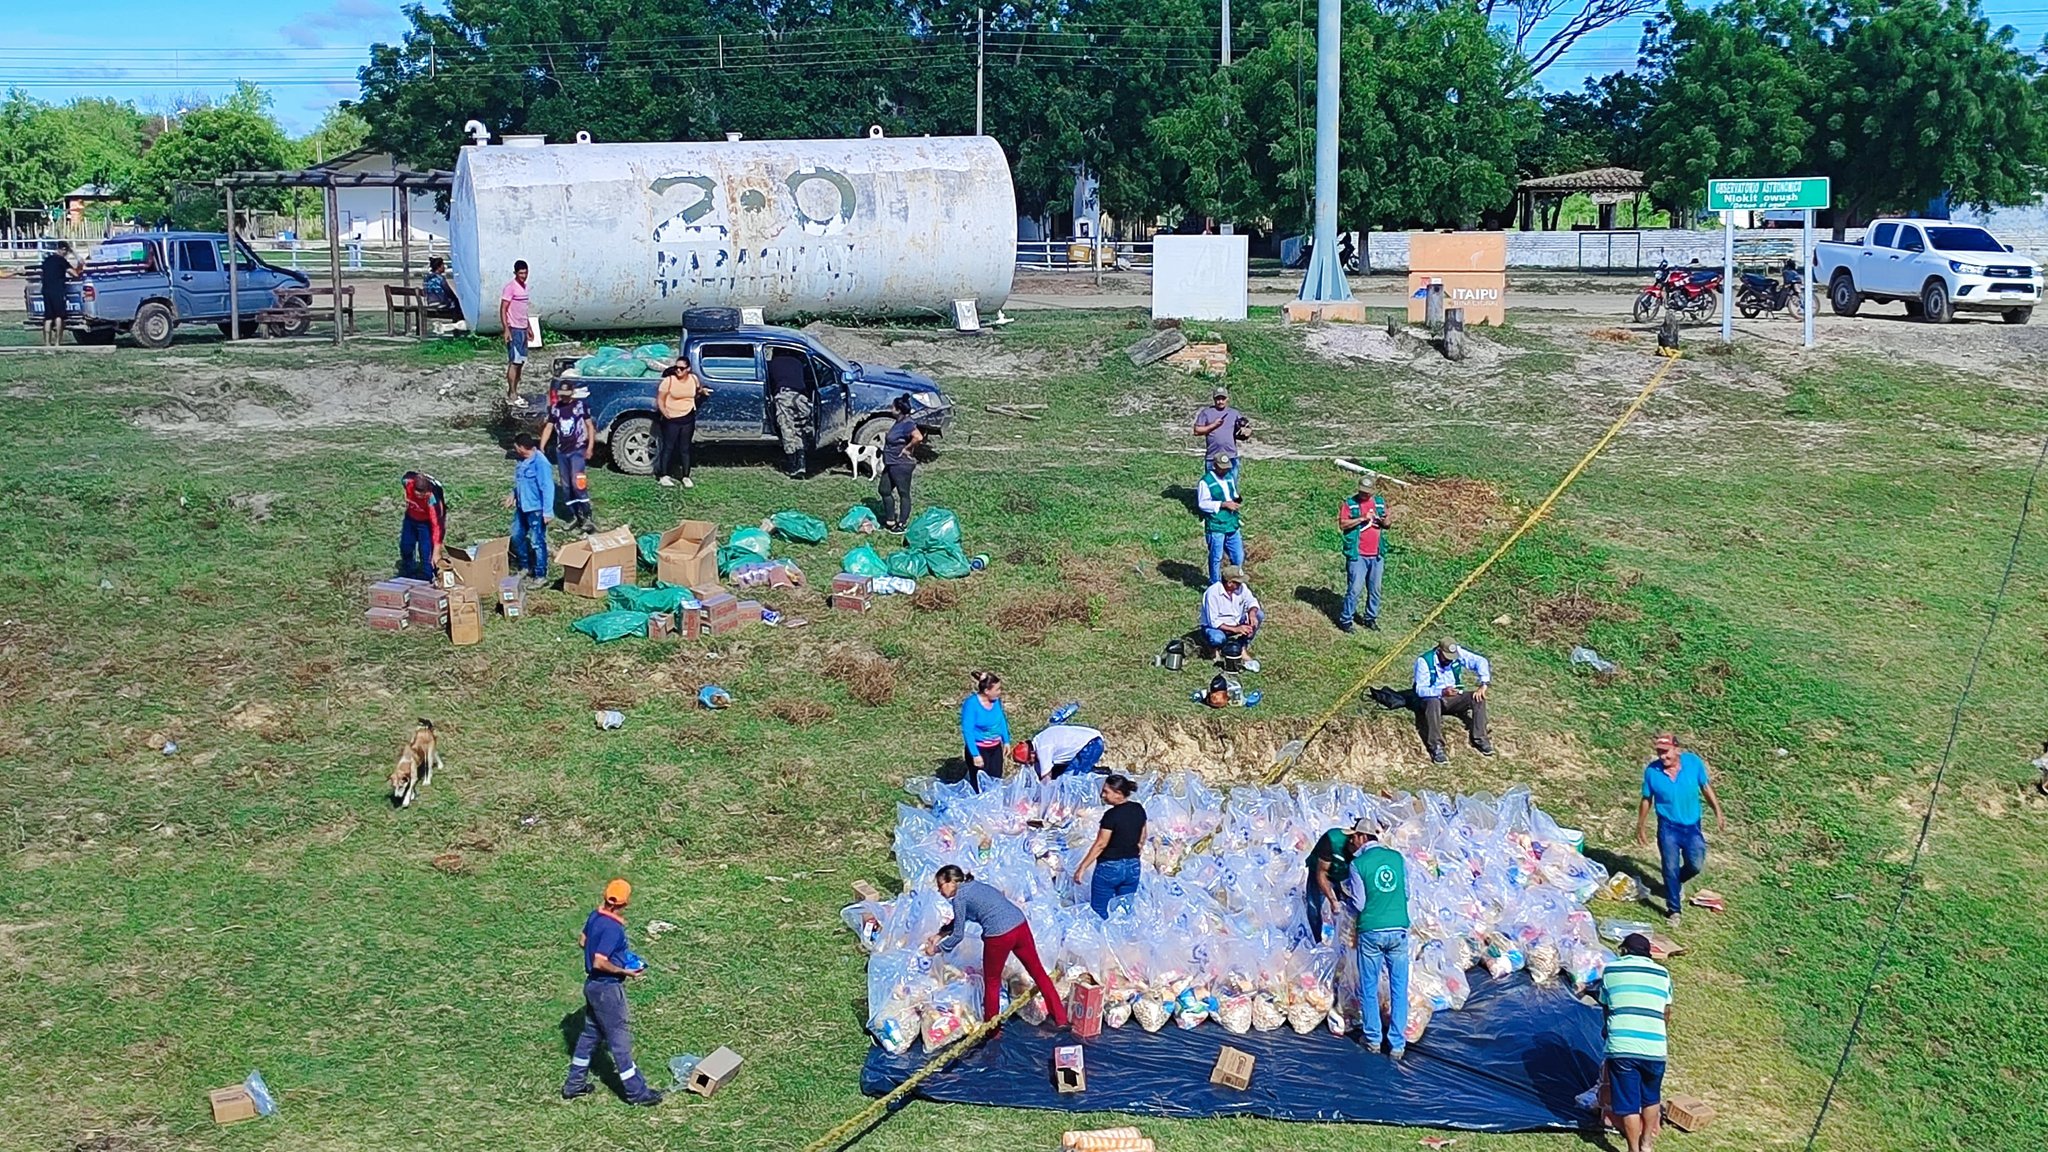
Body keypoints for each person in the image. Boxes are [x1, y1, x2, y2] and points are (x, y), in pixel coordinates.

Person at [925, 865, 1071, 1028]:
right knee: (1038, 973)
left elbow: (958, 935)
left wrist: (937, 949)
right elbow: (960, 920)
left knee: (992, 982)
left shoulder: (959, 897)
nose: (939, 891)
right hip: (1020, 925)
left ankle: (992, 1030)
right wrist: (939, 935)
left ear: (951, 882)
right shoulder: (976, 885)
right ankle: (1061, 1019)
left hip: (999, 935)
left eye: (940, 886)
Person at [561, 879, 662, 1105]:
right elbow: (599, 961)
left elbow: (582, 941)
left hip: (592, 987)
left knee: (589, 1036)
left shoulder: (595, 916)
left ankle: (574, 1084)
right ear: (625, 902)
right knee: (620, 1041)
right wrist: (625, 971)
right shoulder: (613, 929)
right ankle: (637, 1093)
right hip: (607, 989)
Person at [1635, 733, 1726, 927]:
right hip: (1668, 828)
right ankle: (1674, 910)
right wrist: (1640, 825)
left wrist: (1717, 810)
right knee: (1670, 868)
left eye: (1666, 752)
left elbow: (1705, 787)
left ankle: (1675, 884)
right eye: (1659, 753)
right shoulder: (1652, 772)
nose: (1662, 757)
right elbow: (1646, 800)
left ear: (1677, 749)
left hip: (1692, 826)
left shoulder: (1693, 763)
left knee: (1695, 864)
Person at [1598, 933, 1672, 1152]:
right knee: (1651, 1097)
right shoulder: (1663, 973)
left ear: (1624, 951)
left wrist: (1608, 1029)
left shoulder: (1612, 969)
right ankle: (1647, 1143)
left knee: (1629, 1103)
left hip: (1622, 1047)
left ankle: (1632, 1148)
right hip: (1655, 1046)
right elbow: (1666, 1011)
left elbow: (1606, 1006)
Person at [1354, 819, 1410, 1056]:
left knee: (1369, 986)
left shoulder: (1358, 864)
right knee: (1399, 986)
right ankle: (1397, 1044)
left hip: (1371, 931)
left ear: (1363, 837)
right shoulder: (1397, 858)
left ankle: (1374, 1039)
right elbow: (1406, 893)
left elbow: (1359, 903)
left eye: (1354, 837)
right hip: (1398, 930)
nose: (1352, 841)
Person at [1072, 774, 1146, 918]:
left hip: (1110, 868)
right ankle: (1122, 937)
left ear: (1118, 794)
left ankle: (1100, 938)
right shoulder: (1138, 809)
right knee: (1124, 909)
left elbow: (1101, 844)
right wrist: (1135, 851)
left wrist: (1082, 868)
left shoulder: (1111, 816)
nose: (1102, 795)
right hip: (1133, 866)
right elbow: (1143, 836)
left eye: (1106, 791)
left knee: (1100, 910)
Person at [1411, 637, 1494, 764]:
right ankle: (1436, 747)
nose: (1449, 660)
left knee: (1478, 698)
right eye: (1446, 657)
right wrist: (1441, 692)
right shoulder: (1424, 661)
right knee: (1432, 702)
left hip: (1453, 698)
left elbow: (1480, 661)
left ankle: (1480, 739)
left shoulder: (1457, 654)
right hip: (1432, 699)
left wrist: (1484, 684)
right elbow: (1420, 690)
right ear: (1439, 651)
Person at [539, 385, 597, 533]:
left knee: (577, 483)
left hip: (577, 450)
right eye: (562, 394)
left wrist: (590, 447)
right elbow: (549, 427)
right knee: (566, 486)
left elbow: (589, 426)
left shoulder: (580, 406)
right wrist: (542, 446)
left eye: (567, 394)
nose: (564, 397)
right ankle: (573, 515)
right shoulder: (555, 408)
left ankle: (587, 515)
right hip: (562, 451)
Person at [1305, 818, 1370, 943]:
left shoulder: (1365, 851)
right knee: (1314, 908)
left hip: (1343, 875)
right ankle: (1317, 942)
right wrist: (1332, 900)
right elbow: (1321, 873)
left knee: (1350, 909)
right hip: (1320, 871)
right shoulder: (1332, 839)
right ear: (1355, 837)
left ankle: (1343, 943)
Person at [1336, 476, 1388, 632]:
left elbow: (1388, 522)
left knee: (1375, 589)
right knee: (1355, 589)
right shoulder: (1350, 504)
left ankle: (1370, 618)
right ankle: (1346, 619)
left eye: (1367, 493)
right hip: (1358, 554)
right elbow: (1343, 524)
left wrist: (1383, 521)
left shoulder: (1379, 503)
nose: (1364, 495)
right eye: (1362, 492)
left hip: (1376, 554)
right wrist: (1361, 519)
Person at [505, 433, 551, 587]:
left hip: (536, 508)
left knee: (537, 541)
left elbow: (547, 487)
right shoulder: (522, 461)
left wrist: (548, 511)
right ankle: (525, 566)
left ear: (521, 447)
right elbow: (521, 482)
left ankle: (540, 575)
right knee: (517, 536)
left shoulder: (541, 463)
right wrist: (513, 494)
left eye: (516, 447)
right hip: (522, 506)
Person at [1200, 564, 1263, 673]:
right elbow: (1214, 622)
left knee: (1259, 615)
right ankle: (1213, 650)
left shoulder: (1242, 588)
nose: (1241, 584)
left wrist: (1252, 614)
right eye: (1238, 582)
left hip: (1236, 621)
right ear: (1229, 583)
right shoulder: (1212, 594)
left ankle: (1241, 647)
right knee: (1217, 638)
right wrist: (1236, 629)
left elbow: (1252, 601)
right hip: (1216, 628)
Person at [654, 362, 708, 489]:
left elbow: (697, 390)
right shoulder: (669, 381)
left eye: (682, 368)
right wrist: (665, 412)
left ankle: (686, 476)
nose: (678, 370)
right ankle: (663, 475)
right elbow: (660, 399)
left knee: (685, 448)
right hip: (672, 418)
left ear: (688, 369)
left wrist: (702, 391)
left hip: (688, 417)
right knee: (668, 447)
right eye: (676, 368)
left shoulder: (693, 379)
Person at [1196, 451, 1243, 586]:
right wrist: (1223, 504)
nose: (1225, 470)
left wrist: (1236, 500)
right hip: (1216, 524)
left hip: (1231, 522)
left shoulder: (1229, 477)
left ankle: (1234, 580)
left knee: (1238, 555)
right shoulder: (1206, 482)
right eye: (1222, 468)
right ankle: (1215, 584)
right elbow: (1203, 504)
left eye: (1226, 467)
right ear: (1215, 466)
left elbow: (1233, 494)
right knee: (1216, 557)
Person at [766, 347, 814, 478]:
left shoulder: (772, 364)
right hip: (800, 398)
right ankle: (802, 462)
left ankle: (793, 464)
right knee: (800, 429)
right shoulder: (797, 362)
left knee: (787, 429)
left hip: (784, 397)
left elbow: (769, 384)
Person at [879, 395, 923, 531]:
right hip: (891, 463)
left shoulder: (907, 423)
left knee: (903, 493)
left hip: (901, 464)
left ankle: (901, 524)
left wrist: (907, 448)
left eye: (892, 407)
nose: (890, 409)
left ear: (898, 410)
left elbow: (918, 437)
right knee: (884, 490)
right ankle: (890, 520)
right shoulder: (899, 422)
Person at [958, 671, 1010, 782]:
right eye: (997, 689)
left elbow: (1001, 720)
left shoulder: (996, 701)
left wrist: (1006, 740)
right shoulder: (971, 704)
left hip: (995, 748)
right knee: (980, 783)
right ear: (987, 691)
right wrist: (975, 754)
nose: (1000, 692)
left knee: (996, 780)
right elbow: (968, 730)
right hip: (980, 748)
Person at [398, 470, 447, 583]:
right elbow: (407, 475)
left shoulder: (432, 500)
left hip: (426, 524)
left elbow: (437, 527)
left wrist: (437, 552)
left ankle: (427, 578)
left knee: (426, 552)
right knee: (406, 546)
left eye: (423, 494)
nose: (421, 496)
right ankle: (407, 574)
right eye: (418, 493)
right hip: (410, 519)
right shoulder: (407, 482)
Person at [1013, 722, 1106, 780]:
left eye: (1029, 762)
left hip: (1091, 745)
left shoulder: (1043, 749)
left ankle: (1103, 778)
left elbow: (1046, 778)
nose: (1029, 765)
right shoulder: (1038, 741)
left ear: (1032, 754)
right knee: (1060, 777)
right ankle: (1100, 773)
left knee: (1069, 781)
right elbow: (1041, 773)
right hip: (1090, 741)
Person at [1192, 386, 1246, 475]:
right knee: (1212, 484)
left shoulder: (1234, 413)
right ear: (1214, 399)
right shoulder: (1206, 412)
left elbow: (1244, 429)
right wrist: (1213, 425)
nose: (1220, 401)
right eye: (1218, 399)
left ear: (1227, 399)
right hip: (1213, 456)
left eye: (1223, 398)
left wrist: (1246, 432)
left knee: (1231, 485)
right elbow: (1197, 431)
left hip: (1230, 456)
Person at [499, 260, 531, 403]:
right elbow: (503, 308)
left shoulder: (524, 287)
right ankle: (512, 392)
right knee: (514, 361)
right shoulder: (510, 288)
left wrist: (529, 326)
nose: (523, 276)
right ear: (516, 273)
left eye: (525, 273)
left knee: (521, 361)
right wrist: (506, 329)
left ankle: (516, 390)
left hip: (523, 328)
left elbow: (523, 309)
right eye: (521, 273)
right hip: (514, 328)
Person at [39, 242, 74, 347]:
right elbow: (75, 273)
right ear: (62, 250)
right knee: (59, 316)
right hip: (58, 290)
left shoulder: (46, 260)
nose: (66, 254)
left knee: (48, 317)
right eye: (66, 251)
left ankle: (47, 344)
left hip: (46, 290)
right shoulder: (61, 261)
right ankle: (57, 343)